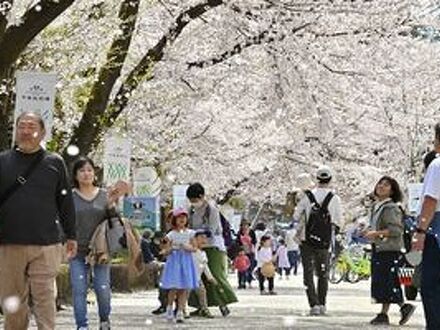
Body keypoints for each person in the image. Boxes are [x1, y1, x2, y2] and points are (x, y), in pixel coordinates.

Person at [0, 112, 77, 329]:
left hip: (47, 243)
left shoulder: (54, 162)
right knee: (13, 301)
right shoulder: (2, 161)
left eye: (31, 126)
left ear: (42, 132)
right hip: (9, 243)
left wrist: (71, 234)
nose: (25, 131)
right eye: (21, 126)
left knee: (45, 299)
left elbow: (65, 201)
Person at [70, 157, 130, 330]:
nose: (86, 173)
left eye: (89, 170)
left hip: (100, 249)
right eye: (81, 170)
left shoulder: (104, 194)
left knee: (102, 288)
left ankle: (104, 320)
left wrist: (111, 205)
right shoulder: (70, 196)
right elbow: (64, 221)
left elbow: (115, 221)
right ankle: (82, 325)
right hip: (77, 250)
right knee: (79, 289)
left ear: (94, 173)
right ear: (75, 175)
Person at [363, 176, 416, 326]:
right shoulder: (377, 206)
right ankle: (384, 313)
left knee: (388, 281)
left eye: (386, 185)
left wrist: (376, 234)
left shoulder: (391, 207)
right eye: (380, 183)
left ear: (392, 191)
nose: (381, 186)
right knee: (384, 281)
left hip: (389, 249)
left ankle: (403, 307)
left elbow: (395, 230)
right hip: (380, 248)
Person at [294, 165, 342, 316]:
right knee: (323, 273)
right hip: (324, 241)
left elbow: (296, 216)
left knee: (308, 272)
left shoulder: (307, 196)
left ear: (316, 179)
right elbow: (338, 221)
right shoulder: (334, 198)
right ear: (330, 179)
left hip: (307, 240)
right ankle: (322, 304)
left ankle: (313, 304)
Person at [186, 183, 237, 316]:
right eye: (191, 200)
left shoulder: (212, 210)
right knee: (198, 277)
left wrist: (198, 236)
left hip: (213, 246)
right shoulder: (191, 210)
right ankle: (200, 306)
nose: (193, 203)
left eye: (195, 200)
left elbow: (213, 230)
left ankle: (223, 303)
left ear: (202, 196)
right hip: (197, 246)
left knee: (214, 275)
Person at [412, 123, 440, 330]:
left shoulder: (437, 164)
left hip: (435, 227)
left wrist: (420, 231)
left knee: (431, 284)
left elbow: (431, 199)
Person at [160, 208, 198, 323]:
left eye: (184, 217)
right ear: (174, 220)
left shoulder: (191, 233)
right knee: (174, 287)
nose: (182, 219)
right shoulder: (171, 234)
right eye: (179, 217)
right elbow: (164, 248)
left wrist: (187, 247)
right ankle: (169, 308)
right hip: (174, 261)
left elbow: (195, 248)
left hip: (186, 261)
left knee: (184, 288)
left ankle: (180, 311)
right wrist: (170, 249)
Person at [191, 230, 217, 318]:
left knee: (202, 292)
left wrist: (210, 277)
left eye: (205, 238)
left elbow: (205, 267)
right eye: (201, 237)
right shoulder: (190, 252)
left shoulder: (203, 253)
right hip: (187, 277)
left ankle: (204, 309)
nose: (204, 240)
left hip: (197, 278)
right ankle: (180, 309)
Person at [236, 219, 257, 287]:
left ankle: (249, 281)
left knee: (250, 267)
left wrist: (250, 243)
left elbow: (254, 241)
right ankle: (242, 282)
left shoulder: (251, 232)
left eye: (246, 225)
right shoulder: (239, 233)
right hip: (242, 252)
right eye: (243, 225)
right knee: (242, 268)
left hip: (251, 251)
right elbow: (237, 242)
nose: (245, 226)